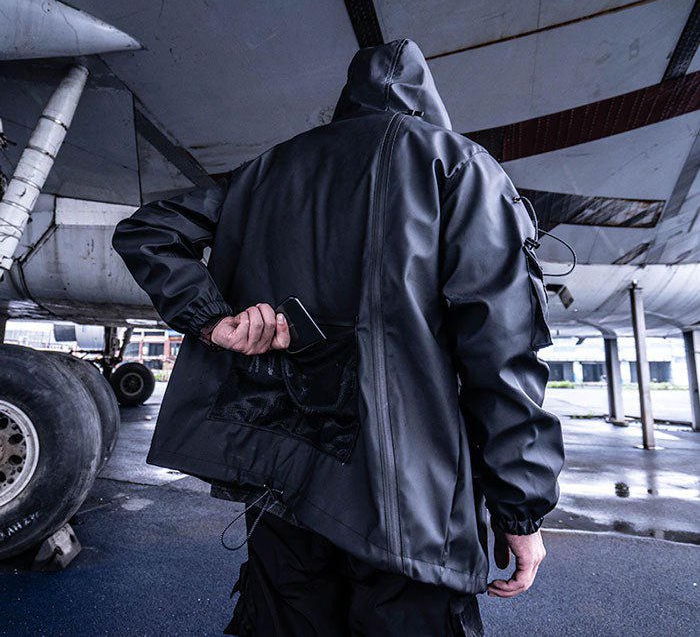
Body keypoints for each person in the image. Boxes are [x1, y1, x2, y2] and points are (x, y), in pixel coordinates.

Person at [111, 38, 565, 636]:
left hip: (286, 477)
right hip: (407, 494)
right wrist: (520, 510)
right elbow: (500, 355)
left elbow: (148, 232)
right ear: (425, 102)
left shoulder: (269, 169)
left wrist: (215, 319)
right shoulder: (457, 166)